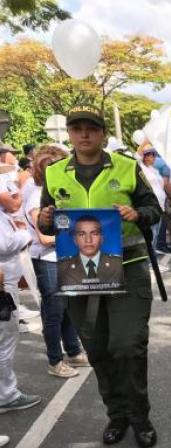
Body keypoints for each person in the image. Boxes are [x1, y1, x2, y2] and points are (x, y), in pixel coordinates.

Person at [38, 105, 162, 448]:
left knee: (127, 345)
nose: (84, 134)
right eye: (77, 128)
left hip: (129, 267)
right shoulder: (55, 173)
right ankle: (117, 415)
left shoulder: (126, 166)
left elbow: (154, 209)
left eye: (91, 128)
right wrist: (46, 218)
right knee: (98, 349)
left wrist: (137, 213)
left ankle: (140, 417)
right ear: (70, 134)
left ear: (102, 133)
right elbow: (45, 223)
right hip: (79, 276)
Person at [24, 145, 88, 378]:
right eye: (60, 166)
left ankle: (73, 351)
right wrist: (75, 237)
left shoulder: (56, 191)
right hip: (47, 258)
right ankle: (55, 360)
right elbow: (43, 236)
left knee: (67, 307)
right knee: (54, 312)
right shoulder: (35, 196)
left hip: (63, 256)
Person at [0, 213, 42, 414]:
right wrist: (24, 233)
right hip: (3, 283)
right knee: (5, 340)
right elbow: (4, 244)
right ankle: (6, 395)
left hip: (7, 280)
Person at [57, 215, 123, 288]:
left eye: (94, 234)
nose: (88, 240)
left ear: (102, 238)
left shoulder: (117, 264)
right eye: (82, 234)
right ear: (75, 240)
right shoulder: (63, 267)